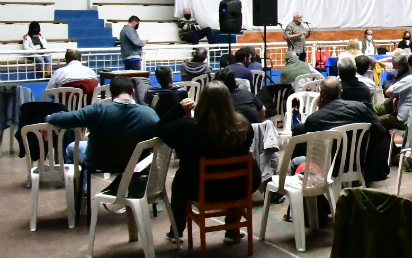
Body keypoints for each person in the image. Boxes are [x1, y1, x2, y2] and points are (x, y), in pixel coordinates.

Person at [157, 82, 260, 242]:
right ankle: (232, 230)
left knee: (178, 184)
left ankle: (177, 232)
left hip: (199, 190)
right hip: (238, 188)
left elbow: (160, 129)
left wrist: (178, 110)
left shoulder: (188, 129)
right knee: (240, 170)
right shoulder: (243, 127)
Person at [48, 75, 159, 180]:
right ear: (133, 92)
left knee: (71, 148)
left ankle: (82, 195)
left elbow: (67, 119)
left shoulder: (98, 110)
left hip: (98, 162)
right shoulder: (148, 114)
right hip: (136, 163)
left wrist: (49, 117)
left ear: (111, 94)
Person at [289, 76, 389, 183]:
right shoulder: (361, 108)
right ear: (341, 92)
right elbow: (380, 131)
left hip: (326, 167)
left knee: (296, 161)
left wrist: (321, 107)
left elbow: (310, 149)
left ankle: (303, 188)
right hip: (358, 162)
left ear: (321, 96)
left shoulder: (314, 120)